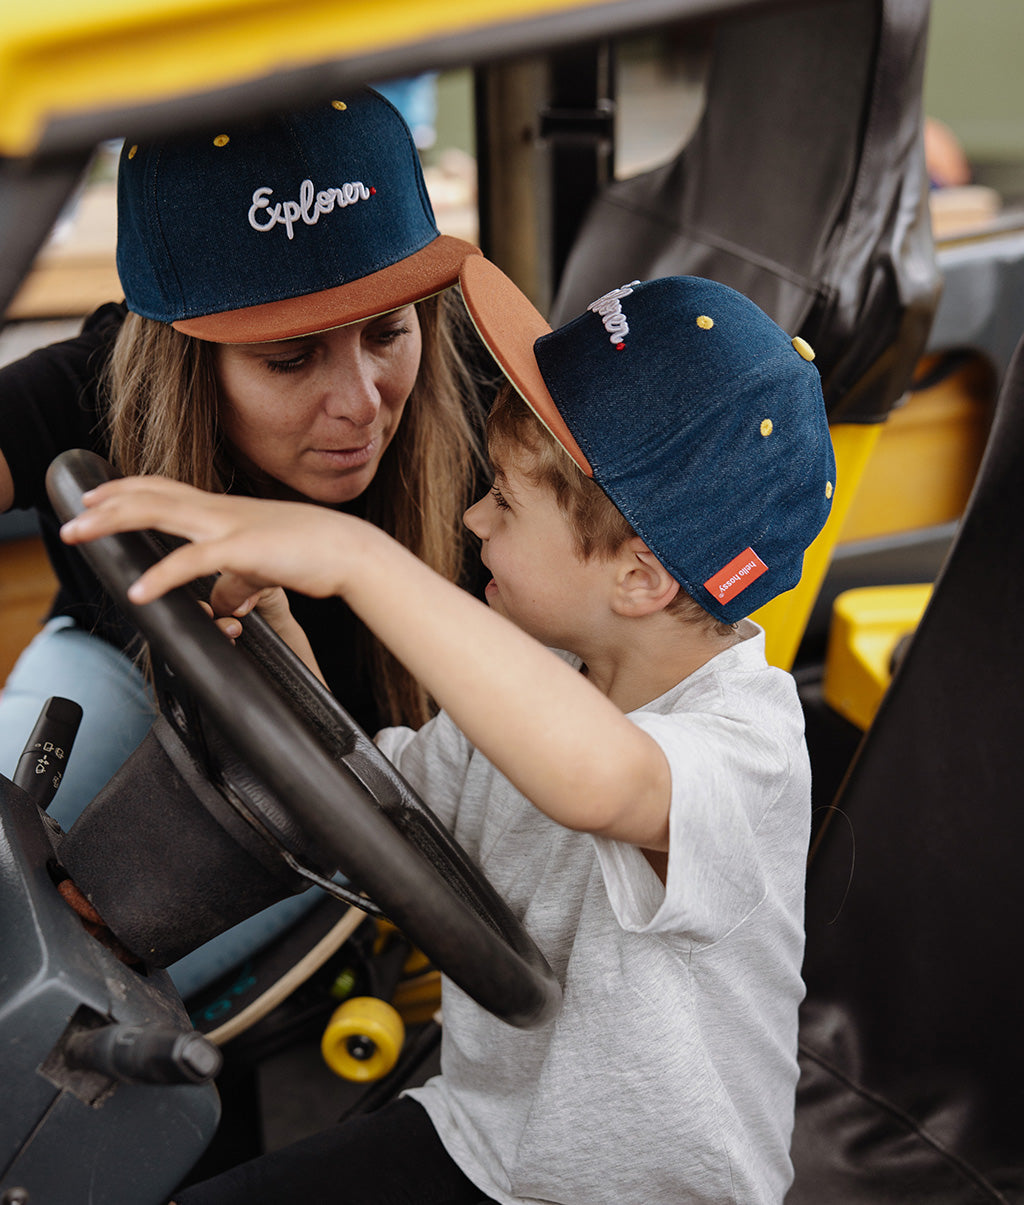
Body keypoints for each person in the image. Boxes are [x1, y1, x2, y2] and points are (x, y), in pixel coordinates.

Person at [63, 258, 836, 1204]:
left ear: (640, 576)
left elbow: (603, 781)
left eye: (503, 498)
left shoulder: (746, 749)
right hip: (486, 1138)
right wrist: (282, 656)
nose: (472, 516)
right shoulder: (545, 683)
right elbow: (373, 804)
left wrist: (357, 558)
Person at [0, 89, 484, 851]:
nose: (361, 402)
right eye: (291, 359)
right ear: (184, 362)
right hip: (123, 679)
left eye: (389, 333)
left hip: (381, 784)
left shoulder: (499, 408)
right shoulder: (97, 387)